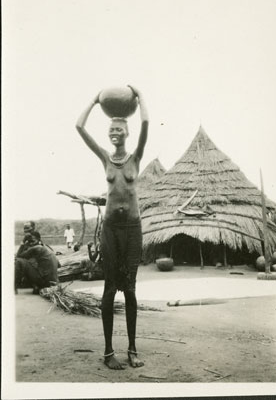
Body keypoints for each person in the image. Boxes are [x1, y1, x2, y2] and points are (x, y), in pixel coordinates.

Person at [76, 85, 148, 370]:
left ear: (127, 133)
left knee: (130, 289)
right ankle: (108, 352)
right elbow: (79, 126)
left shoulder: (136, 158)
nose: (114, 132)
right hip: (110, 229)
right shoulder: (105, 157)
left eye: (119, 129)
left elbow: (144, 122)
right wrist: (94, 100)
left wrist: (140, 96)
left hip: (132, 227)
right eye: (112, 129)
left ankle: (131, 348)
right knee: (109, 288)